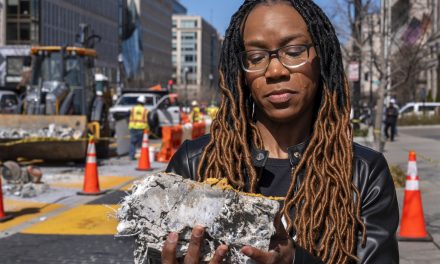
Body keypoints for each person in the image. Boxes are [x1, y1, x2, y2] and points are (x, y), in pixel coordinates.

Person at [163, 1, 399, 263]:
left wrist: (296, 261)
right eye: (256, 58)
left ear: (322, 58)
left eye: (294, 51)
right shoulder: (194, 163)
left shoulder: (364, 173)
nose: (275, 71)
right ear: (241, 74)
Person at [128, 96, 149, 160]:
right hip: (142, 128)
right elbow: (149, 119)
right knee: (142, 143)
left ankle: (132, 156)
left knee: (132, 143)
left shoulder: (132, 109)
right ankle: (142, 156)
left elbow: (127, 115)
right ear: (143, 102)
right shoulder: (145, 110)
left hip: (133, 127)